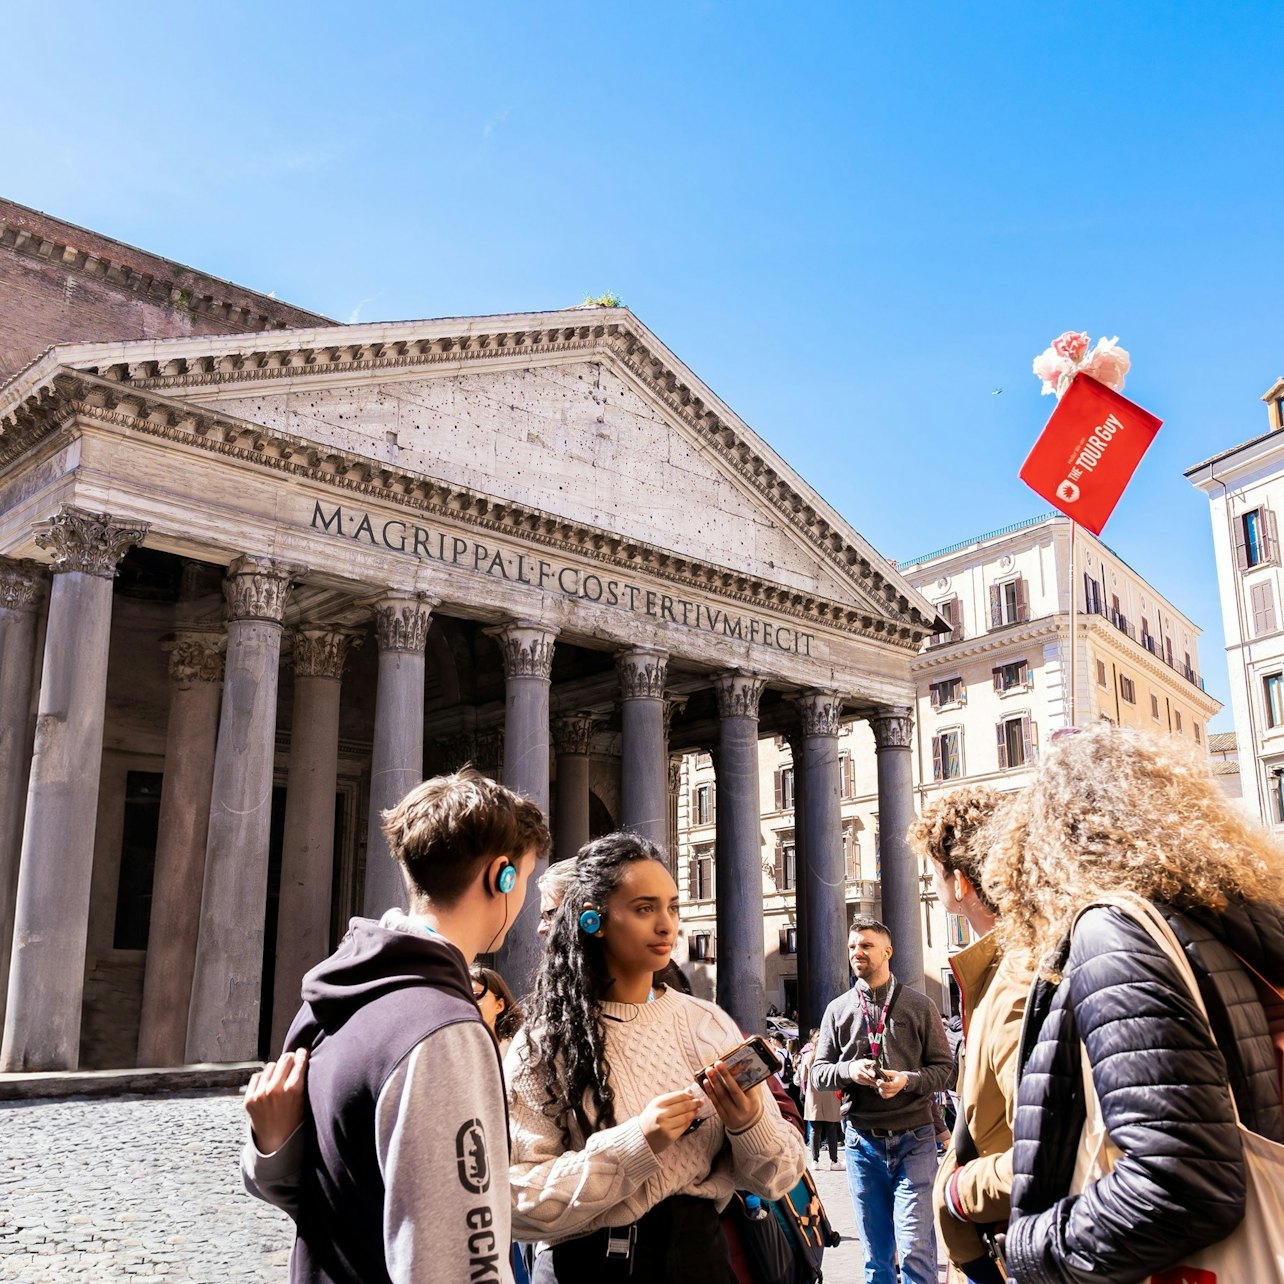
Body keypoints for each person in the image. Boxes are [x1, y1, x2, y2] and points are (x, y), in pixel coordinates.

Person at [985, 723, 1284, 1282]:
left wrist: (1031, 1249)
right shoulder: (1236, 920)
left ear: (1053, 835)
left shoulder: (1114, 930)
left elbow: (1180, 1182)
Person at [241, 769, 550, 1284]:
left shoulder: (335, 991)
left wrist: (272, 1148)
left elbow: (314, 1187)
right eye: (524, 878)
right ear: (503, 875)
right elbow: (456, 1256)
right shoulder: (443, 1028)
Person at [505, 832, 807, 1282]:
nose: (667, 925)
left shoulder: (707, 1024)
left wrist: (750, 1124)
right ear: (593, 921)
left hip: (701, 1258)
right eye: (645, 909)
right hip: (589, 1268)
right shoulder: (543, 1042)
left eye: (672, 907)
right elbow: (516, 1203)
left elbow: (778, 1178)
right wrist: (636, 1143)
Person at [909, 786, 1028, 1284]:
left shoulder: (1016, 982)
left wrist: (955, 1192)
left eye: (934, 873)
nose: (933, 884)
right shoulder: (1002, 971)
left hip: (1010, 1251)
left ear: (959, 883)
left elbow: (1050, 1155)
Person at [810, 917, 953, 1284]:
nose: (857, 952)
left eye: (866, 945)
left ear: (887, 952)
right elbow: (818, 1074)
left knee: (916, 1250)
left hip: (915, 1140)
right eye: (852, 947)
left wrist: (908, 1080)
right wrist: (848, 1071)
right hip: (862, 1144)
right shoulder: (837, 1010)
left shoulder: (919, 1006)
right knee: (875, 1257)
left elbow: (945, 1070)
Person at [797, 1027, 842, 1169]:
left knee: (815, 1130)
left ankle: (814, 1161)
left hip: (814, 1096)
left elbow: (802, 1077)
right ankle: (834, 1161)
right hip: (830, 1095)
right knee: (831, 1130)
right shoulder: (832, 1056)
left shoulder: (808, 1056)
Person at [472, 964, 524, 1053]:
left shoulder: (517, 1052)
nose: (468, 1002)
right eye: (462, 996)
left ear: (499, 1005)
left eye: (477, 995)